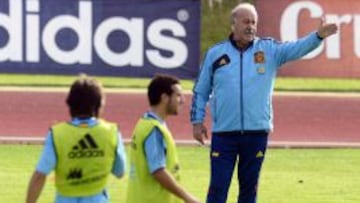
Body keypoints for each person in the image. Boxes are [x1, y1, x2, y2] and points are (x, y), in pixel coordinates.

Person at [190, 2, 338, 203]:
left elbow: (297, 48)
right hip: (224, 135)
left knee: (249, 190)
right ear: (233, 25)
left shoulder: (269, 50)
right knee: (217, 188)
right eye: (245, 22)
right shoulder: (216, 54)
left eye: (254, 22)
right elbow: (201, 90)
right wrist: (197, 122)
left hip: (256, 134)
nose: (250, 26)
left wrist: (318, 36)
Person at [26, 74, 126, 203]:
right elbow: (120, 172)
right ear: (98, 105)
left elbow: (40, 175)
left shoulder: (57, 134)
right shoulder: (111, 132)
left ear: (70, 104)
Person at [126, 74, 201, 203]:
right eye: (178, 95)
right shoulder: (154, 129)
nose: (183, 100)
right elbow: (158, 171)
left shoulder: (144, 123)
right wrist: (187, 197)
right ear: (164, 98)